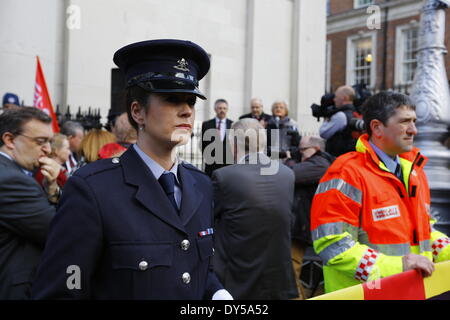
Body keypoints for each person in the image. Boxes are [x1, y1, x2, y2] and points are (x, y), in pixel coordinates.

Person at [31, 39, 231, 300]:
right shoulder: (93, 188)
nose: (186, 111)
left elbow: (198, 270)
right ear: (138, 112)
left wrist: (219, 295)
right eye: (172, 99)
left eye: (191, 102)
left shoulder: (201, 185)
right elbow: (64, 289)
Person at [311, 91, 450, 293]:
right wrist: (399, 266)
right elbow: (333, 245)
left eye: (414, 121)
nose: (414, 130)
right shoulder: (346, 173)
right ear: (377, 127)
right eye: (404, 122)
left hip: (410, 291)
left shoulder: (414, 172)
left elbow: (424, 234)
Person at [212, 118, 298, 300]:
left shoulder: (225, 177)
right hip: (278, 280)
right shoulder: (287, 174)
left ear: (234, 145)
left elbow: (207, 221)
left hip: (238, 280)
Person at [0, 107, 59, 299]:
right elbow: (59, 231)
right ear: (9, 140)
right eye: (40, 142)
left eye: (50, 142)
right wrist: (55, 195)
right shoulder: (10, 180)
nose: (48, 150)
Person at [286, 136, 334, 299]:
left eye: (302, 150)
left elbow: (290, 175)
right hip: (302, 225)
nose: (299, 153)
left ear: (316, 149)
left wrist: (290, 160)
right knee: (291, 269)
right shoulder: (315, 163)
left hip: (305, 227)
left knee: (292, 269)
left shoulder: (320, 163)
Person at [319, 85, 359, 157]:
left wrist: (327, 118)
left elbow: (323, 133)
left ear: (345, 98)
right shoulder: (354, 113)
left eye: (336, 97)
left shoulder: (340, 116)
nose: (334, 100)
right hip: (349, 156)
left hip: (337, 157)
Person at [201, 99, 233, 177]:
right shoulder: (206, 124)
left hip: (228, 164)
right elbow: (203, 144)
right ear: (215, 109)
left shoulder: (232, 124)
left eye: (224, 108)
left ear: (227, 109)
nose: (222, 110)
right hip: (211, 165)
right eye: (220, 108)